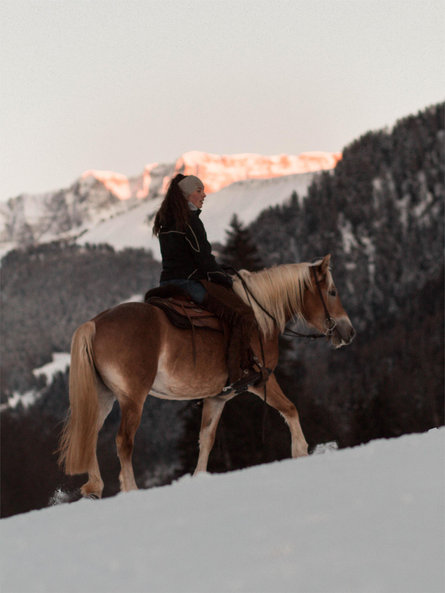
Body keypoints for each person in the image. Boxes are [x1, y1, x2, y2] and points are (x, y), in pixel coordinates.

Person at [152, 173, 267, 393]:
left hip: (167, 282)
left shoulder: (166, 220)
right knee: (243, 315)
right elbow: (203, 260)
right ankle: (236, 374)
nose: (204, 195)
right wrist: (223, 278)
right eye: (199, 190)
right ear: (187, 193)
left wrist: (216, 269)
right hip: (190, 282)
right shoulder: (190, 220)